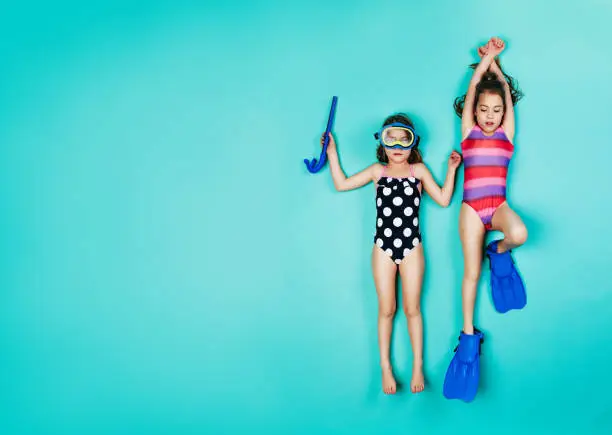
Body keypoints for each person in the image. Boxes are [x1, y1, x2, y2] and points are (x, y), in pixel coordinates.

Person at [323, 113, 462, 394]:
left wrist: (451, 169)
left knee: (412, 309)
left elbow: (444, 200)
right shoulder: (378, 171)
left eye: (404, 139)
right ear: (382, 142)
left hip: (412, 246)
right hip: (383, 246)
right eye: (391, 139)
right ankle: (385, 366)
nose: (398, 146)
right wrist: (332, 152)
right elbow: (341, 183)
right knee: (387, 309)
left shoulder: (419, 171)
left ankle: (417, 366)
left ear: (413, 144)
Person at [443, 37, 527, 403]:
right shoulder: (468, 134)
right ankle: (466, 334)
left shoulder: (507, 134)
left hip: (499, 205)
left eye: (496, 110)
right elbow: (476, 86)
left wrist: (495, 64)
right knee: (471, 273)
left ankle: (501, 250)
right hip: (472, 208)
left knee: (520, 233)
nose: (490, 115)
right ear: (473, 111)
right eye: (484, 109)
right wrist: (486, 62)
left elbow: (503, 90)